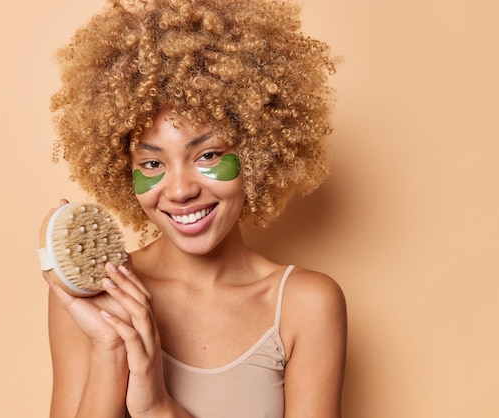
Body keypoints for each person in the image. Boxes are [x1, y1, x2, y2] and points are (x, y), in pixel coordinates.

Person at [44, 0, 347, 417]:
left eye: (207, 155)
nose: (181, 190)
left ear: (257, 154)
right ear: (123, 171)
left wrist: (156, 406)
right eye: (152, 164)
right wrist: (110, 347)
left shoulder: (305, 305)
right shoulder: (101, 296)